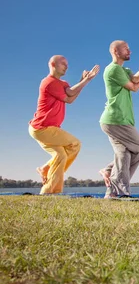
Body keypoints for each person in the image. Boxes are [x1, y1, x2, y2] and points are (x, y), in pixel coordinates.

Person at [29, 55, 99, 194]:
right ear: (53, 64)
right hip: (43, 128)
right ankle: (49, 185)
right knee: (75, 144)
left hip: (45, 129)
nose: (66, 66)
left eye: (67, 64)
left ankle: (49, 182)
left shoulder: (63, 84)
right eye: (63, 64)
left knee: (60, 155)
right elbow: (71, 93)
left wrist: (82, 81)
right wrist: (86, 80)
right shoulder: (48, 82)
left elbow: (70, 98)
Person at [99, 41, 139, 198]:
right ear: (115, 51)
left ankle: (113, 192)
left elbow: (136, 85)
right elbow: (133, 85)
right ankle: (113, 175)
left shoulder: (125, 70)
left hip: (119, 120)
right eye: (126, 48)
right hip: (115, 119)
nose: (130, 51)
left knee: (123, 154)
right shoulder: (113, 69)